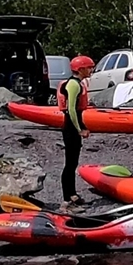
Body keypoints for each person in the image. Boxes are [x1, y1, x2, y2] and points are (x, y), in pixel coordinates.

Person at [58, 55, 94, 208]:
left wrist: (83, 126)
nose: (91, 70)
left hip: (74, 124)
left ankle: (72, 194)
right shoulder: (73, 84)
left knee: (73, 163)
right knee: (70, 163)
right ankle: (67, 198)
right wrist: (79, 129)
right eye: (89, 67)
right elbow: (71, 109)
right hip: (71, 127)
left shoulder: (77, 83)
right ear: (80, 69)